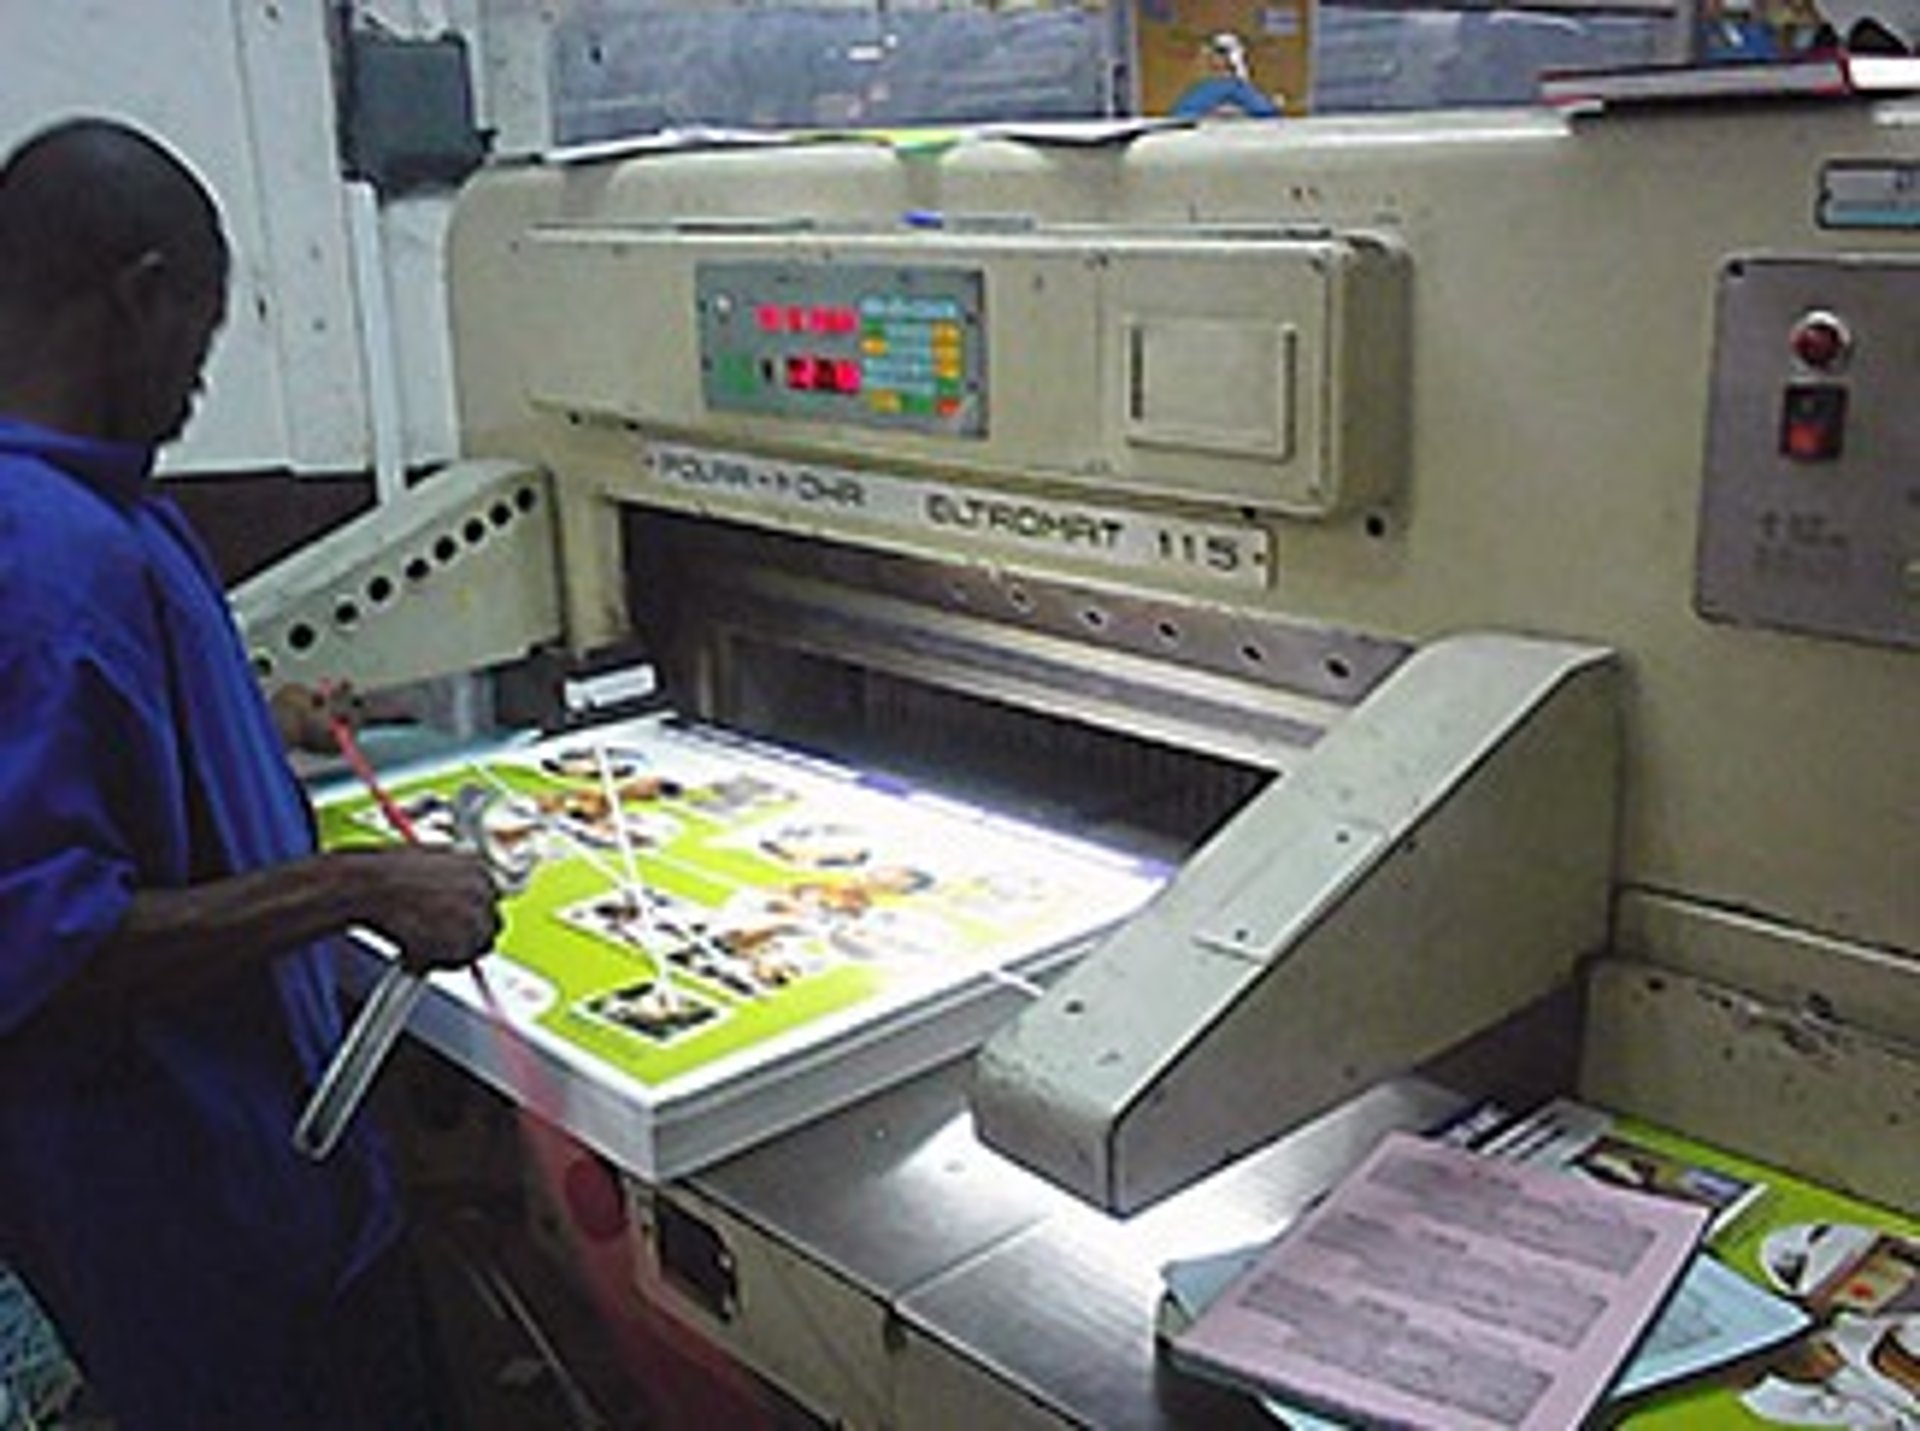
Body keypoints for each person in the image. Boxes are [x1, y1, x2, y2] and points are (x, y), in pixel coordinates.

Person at [0, 117, 503, 1428]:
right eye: (205, 339)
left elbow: (99, 741)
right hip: (192, 1216)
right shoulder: (49, 555)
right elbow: (47, 949)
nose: (198, 387)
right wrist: (358, 886)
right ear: (141, 292)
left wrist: (250, 708)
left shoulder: (99, 508)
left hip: (265, 1172)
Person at [1170, 31, 1284, 119]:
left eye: (1213, 55)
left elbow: (1267, 115)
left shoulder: (1235, 88)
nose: (1206, 59)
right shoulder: (1209, 89)